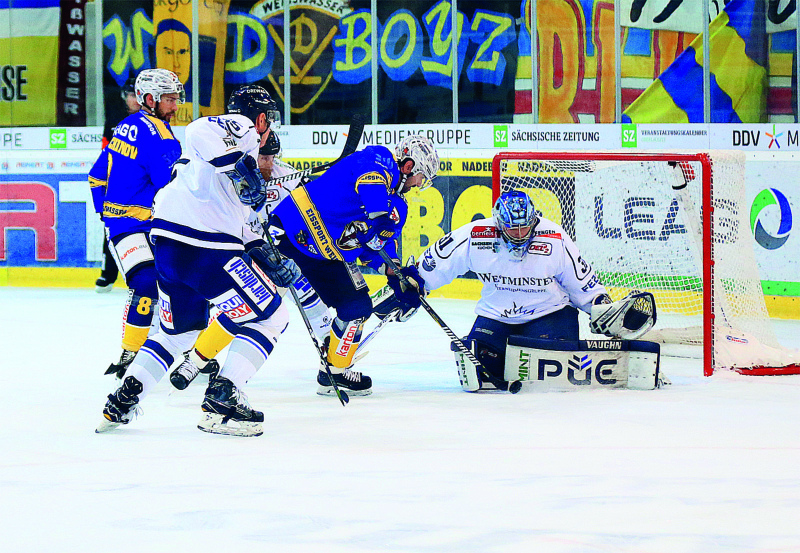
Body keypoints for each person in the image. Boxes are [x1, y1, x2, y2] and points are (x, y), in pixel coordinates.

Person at [96, 84, 300, 437]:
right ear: (262, 117)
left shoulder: (228, 161)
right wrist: (240, 167)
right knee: (273, 317)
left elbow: (242, 222)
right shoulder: (241, 129)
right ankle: (221, 404)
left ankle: (123, 398)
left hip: (172, 248)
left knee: (180, 332)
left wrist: (264, 253)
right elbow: (199, 129)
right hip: (205, 246)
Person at [268, 134, 440, 396]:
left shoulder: (398, 207)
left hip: (326, 255)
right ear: (408, 166)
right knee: (256, 305)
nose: (418, 184)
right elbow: (371, 190)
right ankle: (199, 357)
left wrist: (398, 277)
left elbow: (379, 249)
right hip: (291, 231)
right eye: (420, 177)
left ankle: (334, 372)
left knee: (357, 307)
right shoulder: (378, 158)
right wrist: (378, 216)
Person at [411, 190, 621, 390]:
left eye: (525, 227)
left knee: (553, 373)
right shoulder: (476, 235)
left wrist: (602, 308)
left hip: (549, 314)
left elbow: (582, 284)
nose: (520, 235)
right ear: (499, 225)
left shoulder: (555, 238)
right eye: (513, 228)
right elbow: (437, 262)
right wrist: (415, 282)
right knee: (483, 367)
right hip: (496, 316)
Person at [88, 69, 184, 379]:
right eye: (169, 99)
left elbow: (95, 175)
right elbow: (171, 185)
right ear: (149, 99)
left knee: (165, 283)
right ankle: (135, 350)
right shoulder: (161, 136)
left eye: (176, 98)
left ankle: (155, 349)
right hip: (140, 227)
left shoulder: (125, 126)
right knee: (151, 283)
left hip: (130, 227)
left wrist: (107, 214)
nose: (176, 105)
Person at [95, 77, 140, 293]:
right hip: (118, 185)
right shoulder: (115, 118)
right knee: (112, 226)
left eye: (137, 95)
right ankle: (108, 273)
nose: (134, 100)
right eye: (131, 95)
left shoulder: (151, 120)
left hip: (142, 184)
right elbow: (105, 154)